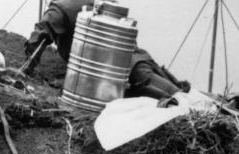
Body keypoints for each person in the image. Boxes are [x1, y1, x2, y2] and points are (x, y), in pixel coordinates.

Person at [24, 0, 190, 100]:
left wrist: (25, 70)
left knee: (179, 101)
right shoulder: (103, 3)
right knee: (183, 97)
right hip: (140, 62)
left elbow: (39, 35)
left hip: (123, 74)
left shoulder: (61, 8)